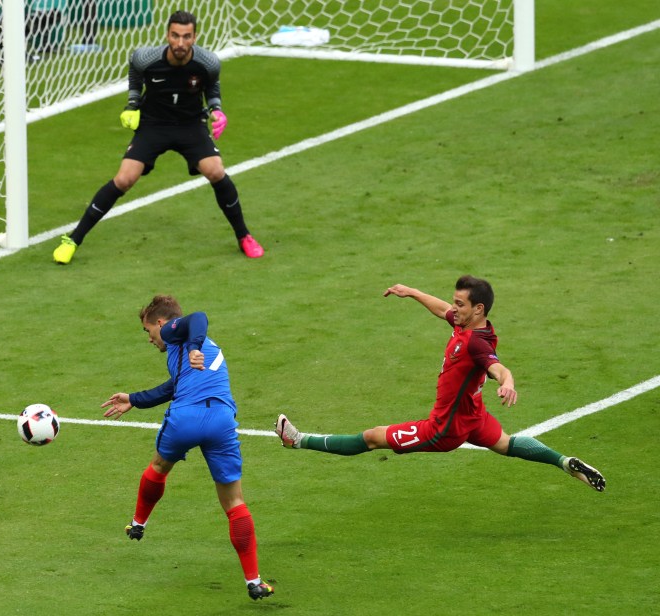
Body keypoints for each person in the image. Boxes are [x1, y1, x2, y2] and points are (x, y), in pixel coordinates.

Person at [275, 276, 606, 492]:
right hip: (472, 416)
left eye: (459, 304)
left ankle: (298, 440)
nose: (453, 308)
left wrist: (508, 383)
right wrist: (413, 292)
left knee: (372, 438)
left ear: (478, 309)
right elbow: (441, 310)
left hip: (444, 428)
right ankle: (565, 463)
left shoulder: (476, 344)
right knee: (506, 444)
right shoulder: (468, 324)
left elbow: (498, 367)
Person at [53, 10, 264, 264]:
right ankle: (73, 239)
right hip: (154, 124)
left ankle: (244, 237)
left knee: (216, 171)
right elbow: (134, 75)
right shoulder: (146, 58)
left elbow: (212, 86)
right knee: (124, 179)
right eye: (175, 36)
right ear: (167, 35)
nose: (180, 43)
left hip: (190, 125)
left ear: (195, 37)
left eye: (186, 37)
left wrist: (216, 110)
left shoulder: (208, 63)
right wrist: (132, 105)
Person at [101, 295, 275, 600]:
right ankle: (254, 580)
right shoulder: (190, 352)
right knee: (234, 503)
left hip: (186, 418)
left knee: (158, 467)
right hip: (222, 420)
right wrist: (134, 399)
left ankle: (138, 522)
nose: (151, 339)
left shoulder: (176, 333)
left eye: (148, 331)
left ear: (161, 323)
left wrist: (193, 346)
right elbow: (172, 388)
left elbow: (199, 316)